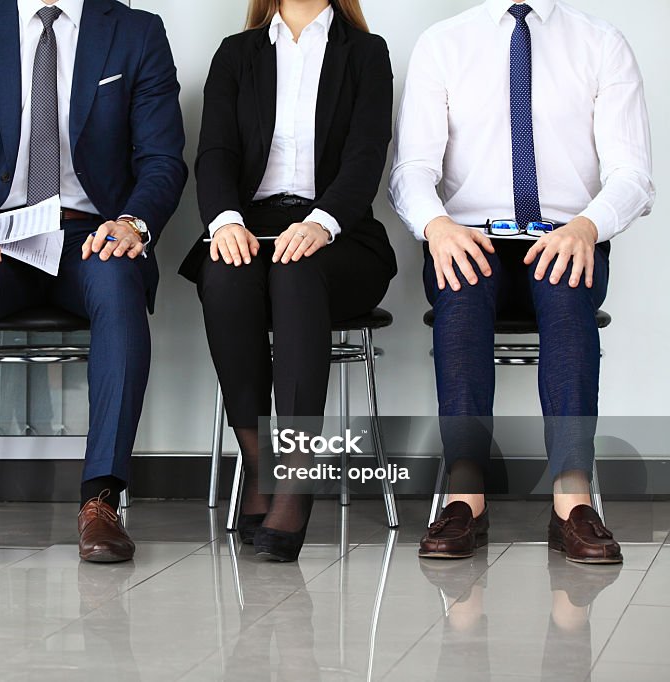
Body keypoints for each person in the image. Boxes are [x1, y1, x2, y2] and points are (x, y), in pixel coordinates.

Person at [0, 0, 187, 565]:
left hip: (90, 233)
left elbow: (163, 157)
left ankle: (102, 500)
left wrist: (132, 223)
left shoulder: (135, 32)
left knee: (119, 287)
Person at [390, 0, 655, 563]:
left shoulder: (601, 42)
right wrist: (436, 226)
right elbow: (412, 168)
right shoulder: (444, 41)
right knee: (460, 299)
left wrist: (587, 227)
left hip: (566, 235)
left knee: (566, 300)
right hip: (470, 234)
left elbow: (632, 173)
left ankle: (573, 503)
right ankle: (466, 499)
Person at [179, 0, 397, 562]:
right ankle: (259, 466)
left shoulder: (366, 53)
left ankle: (297, 480)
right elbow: (215, 153)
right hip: (250, 226)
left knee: (298, 271)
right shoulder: (237, 53)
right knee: (224, 278)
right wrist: (225, 223)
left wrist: (322, 222)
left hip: (340, 233)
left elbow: (367, 156)